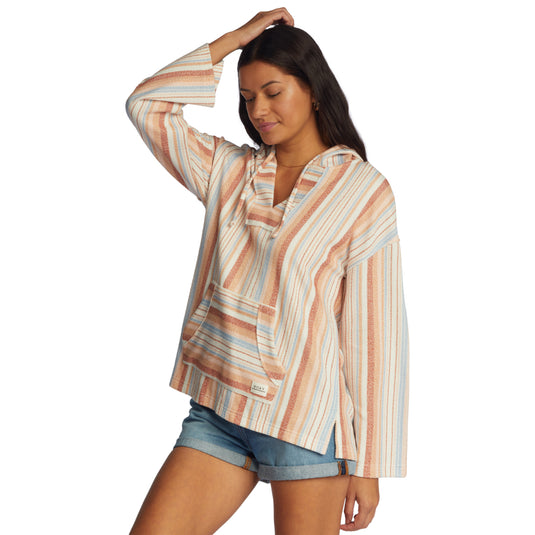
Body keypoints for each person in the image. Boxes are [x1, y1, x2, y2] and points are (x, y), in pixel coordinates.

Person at [125, 8, 409, 535]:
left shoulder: (362, 192)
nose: (258, 109)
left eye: (273, 92)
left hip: (304, 424)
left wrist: (370, 466)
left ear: (313, 89)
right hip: (219, 413)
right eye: (247, 97)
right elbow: (146, 106)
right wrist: (235, 40)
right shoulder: (228, 171)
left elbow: (376, 337)